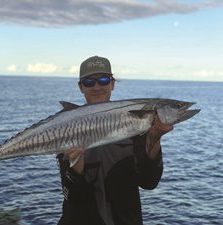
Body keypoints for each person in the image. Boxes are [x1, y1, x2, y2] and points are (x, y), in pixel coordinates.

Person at [57, 56, 173, 225]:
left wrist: (154, 139)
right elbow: (74, 197)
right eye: (89, 82)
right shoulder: (67, 128)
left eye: (103, 80)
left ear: (112, 84)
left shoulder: (136, 127)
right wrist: (76, 169)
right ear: (81, 87)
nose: (97, 86)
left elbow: (149, 182)